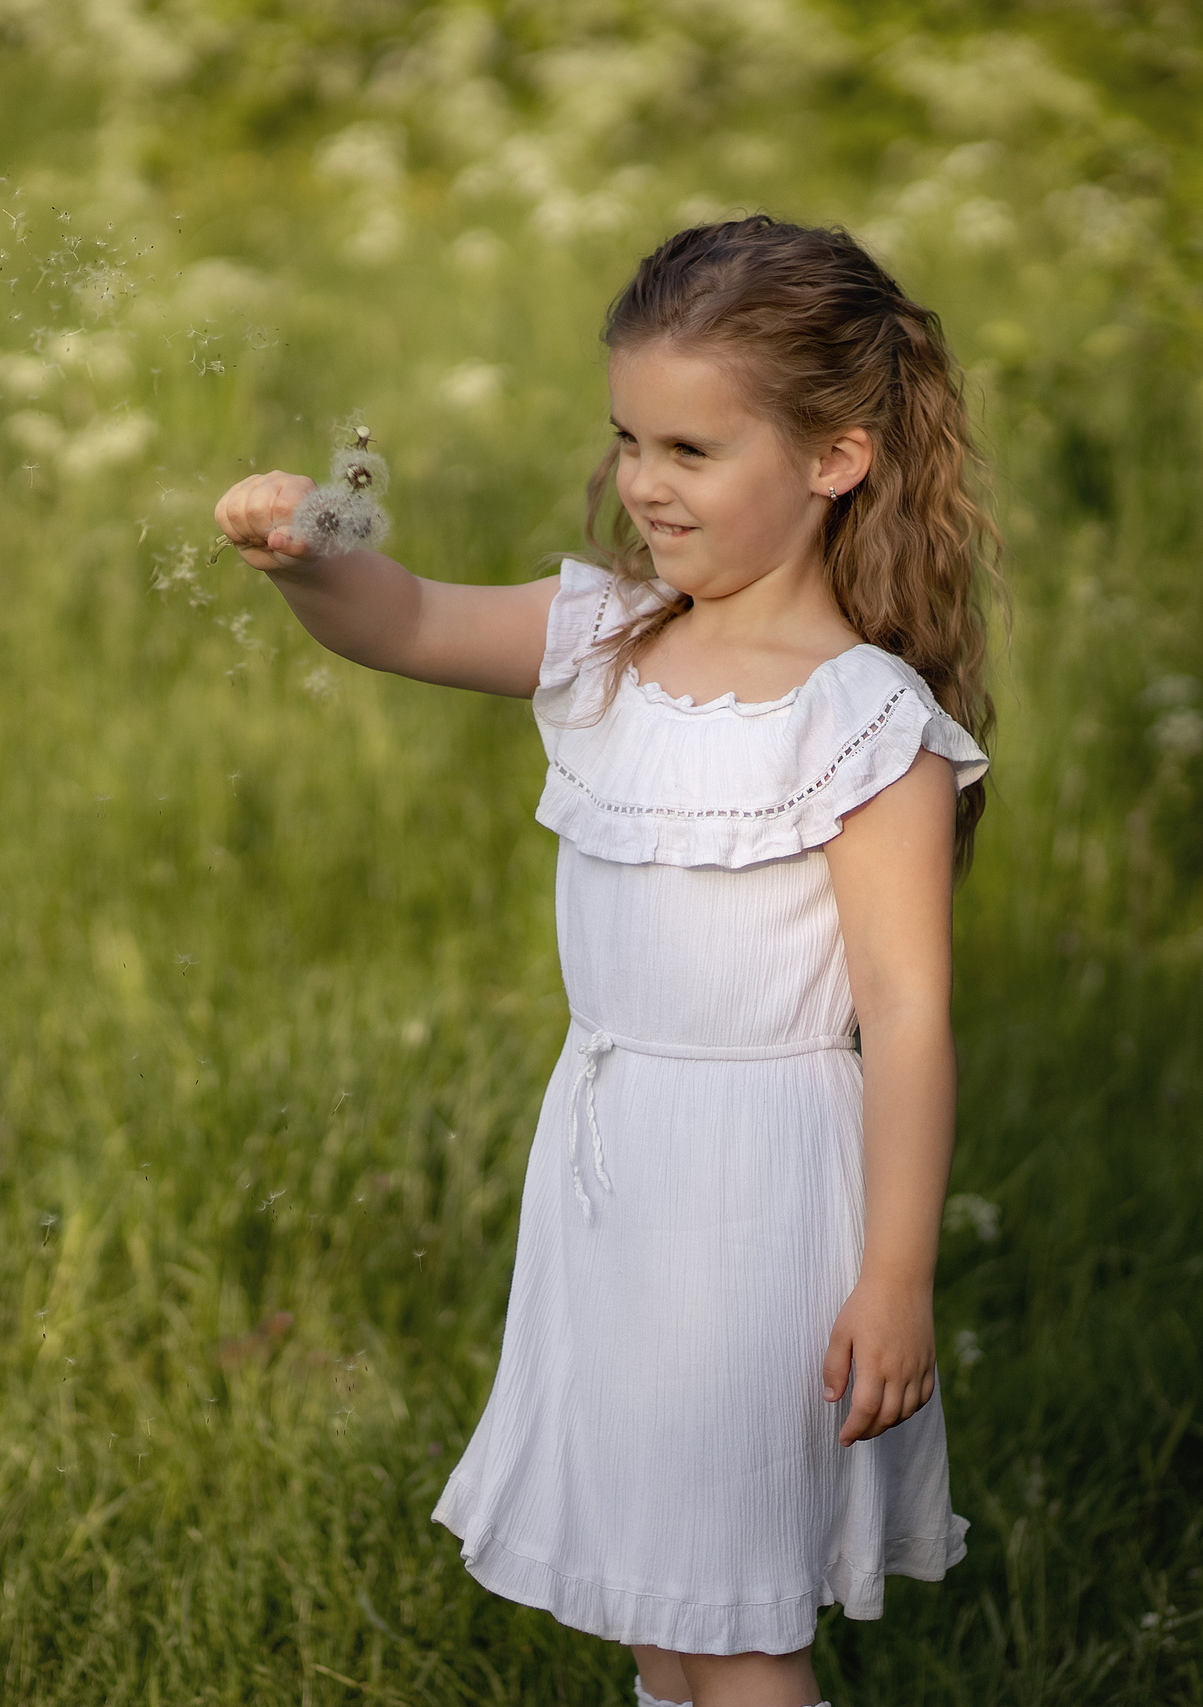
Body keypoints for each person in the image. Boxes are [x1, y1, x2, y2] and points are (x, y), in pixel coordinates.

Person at [213, 216, 997, 1707]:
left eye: (693, 451)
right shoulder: (610, 639)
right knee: (658, 1601)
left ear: (834, 459)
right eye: (630, 438)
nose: (644, 481)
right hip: (611, 1168)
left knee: (735, 1625)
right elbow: (413, 616)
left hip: (761, 1192)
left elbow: (905, 1013)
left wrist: (897, 1276)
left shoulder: (861, 720)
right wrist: (313, 547)